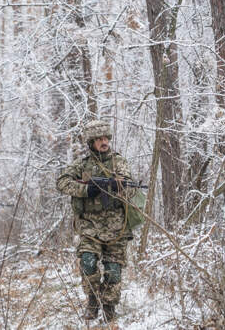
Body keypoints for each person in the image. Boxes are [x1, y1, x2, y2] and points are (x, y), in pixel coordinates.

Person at [56, 120, 135, 322]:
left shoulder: (119, 162)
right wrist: (84, 190)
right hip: (89, 226)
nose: (104, 142)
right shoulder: (82, 165)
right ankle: (92, 301)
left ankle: (109, 308)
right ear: (91, 142)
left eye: (106, 138)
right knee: (88, 262)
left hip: (116, 227)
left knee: (113, 270)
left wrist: (120, 187)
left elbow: (132, 186)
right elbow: (62, 182)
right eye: (99, 139)